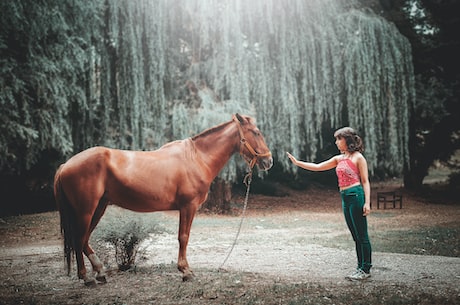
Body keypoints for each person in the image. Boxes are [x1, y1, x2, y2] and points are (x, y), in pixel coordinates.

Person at [286, 127, 372, 281]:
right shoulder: (339, 159)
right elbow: (318, 167)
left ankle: (365, 269)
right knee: (355, 235)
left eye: (339, 139)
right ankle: (360, 267)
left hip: (356, 195)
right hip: (345, 196)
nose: (336, 142)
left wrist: (367, 202)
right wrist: (298, 163)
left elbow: (365, 181)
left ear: (347, 140)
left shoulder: (358, 158)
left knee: (362, 235)